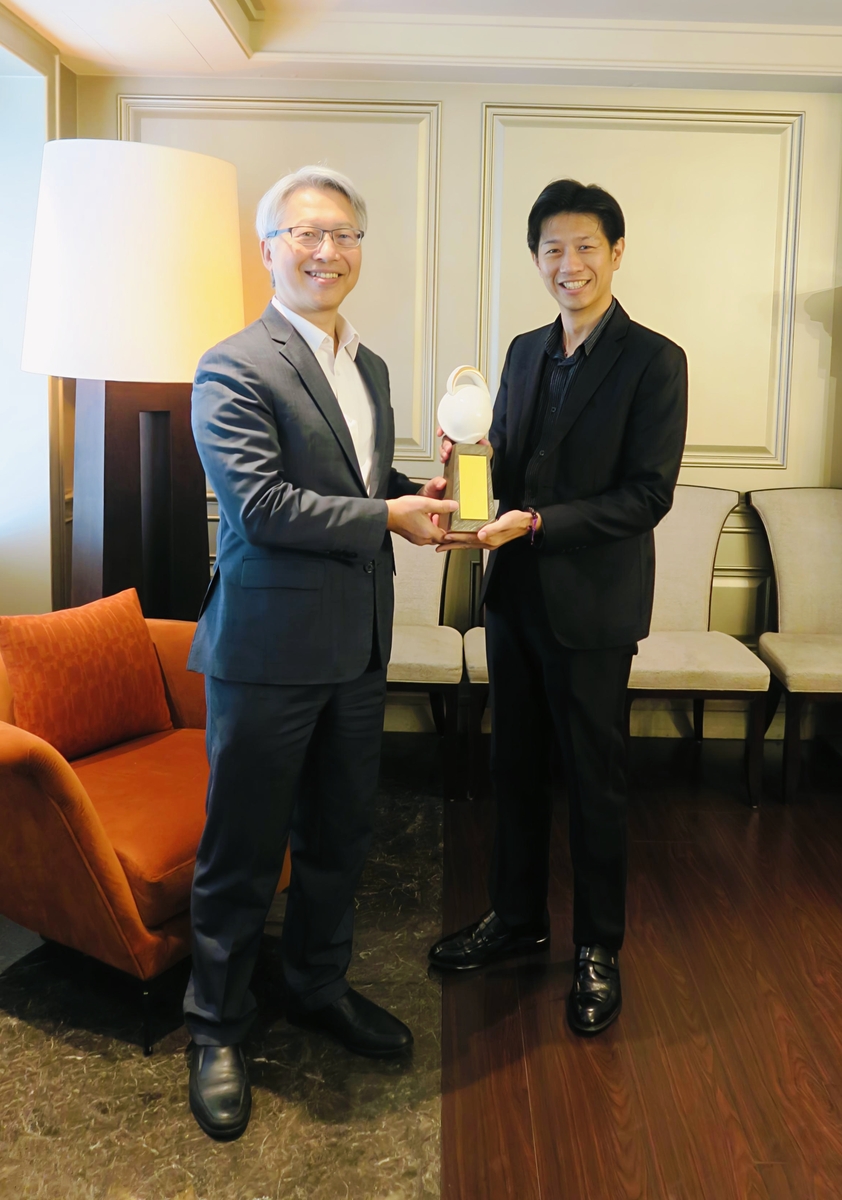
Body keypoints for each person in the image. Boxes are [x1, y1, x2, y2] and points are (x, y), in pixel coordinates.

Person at [184, 165, 456, 1140]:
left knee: (341, 835)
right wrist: (385, 512)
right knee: (242, 849)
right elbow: (260, 507)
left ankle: (316, 985)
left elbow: (362, 479)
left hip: (354, 645)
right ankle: (213, 1027)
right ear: (268, 251)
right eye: (304, 234)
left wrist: (433, 490)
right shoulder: (232, 366)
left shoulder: (369, 367)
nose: (324, 251)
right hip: (263, 650)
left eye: (341, 235)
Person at [428, 179, 688, 1036]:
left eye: (584, 247)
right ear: (535, 258)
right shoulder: (522, 350)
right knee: (516, 769)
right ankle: (517, 918)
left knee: (594, 780)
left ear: (617, 252)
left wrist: (539, 520)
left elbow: (647, 495)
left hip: (594, 608)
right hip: (516, 597)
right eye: (551, 250)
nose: (567, 265)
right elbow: (503, 470)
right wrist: (465, 473)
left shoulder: (655, 359)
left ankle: (598, 948)